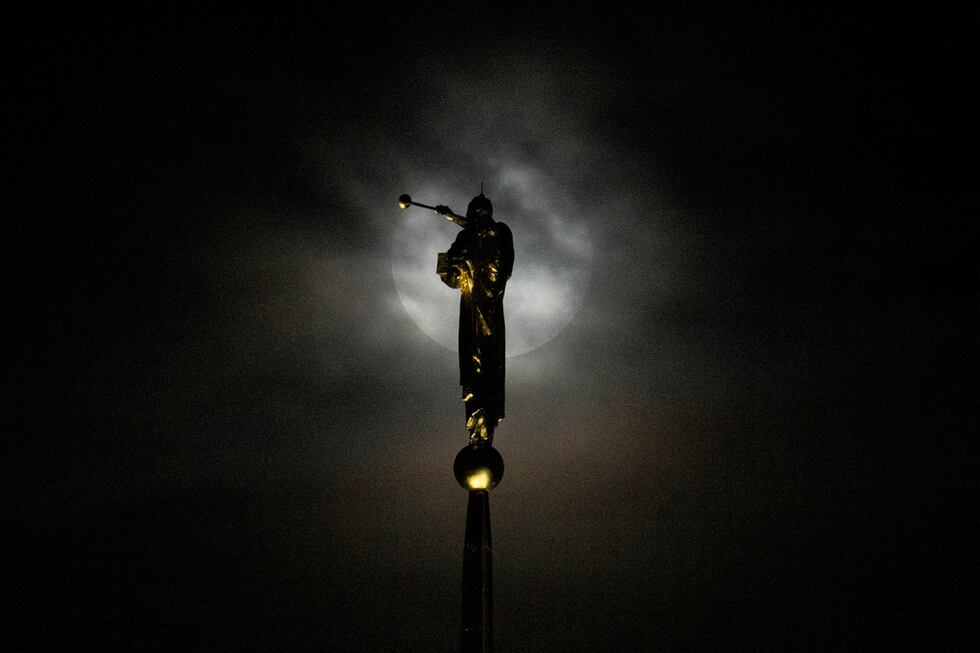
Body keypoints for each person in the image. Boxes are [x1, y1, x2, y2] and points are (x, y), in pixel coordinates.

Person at [436, 193, 514, 445]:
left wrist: (451, 216)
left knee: (485, 363)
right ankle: (476, 424)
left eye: (478, 213)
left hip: (488, 312)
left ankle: (486, 420)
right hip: (470, 313)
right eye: (472, 213)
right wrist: (448, 264)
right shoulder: (465, 237)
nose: (476, 218)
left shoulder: (500, 232)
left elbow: (488, 233)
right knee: (472, 367)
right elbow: (450, 276)